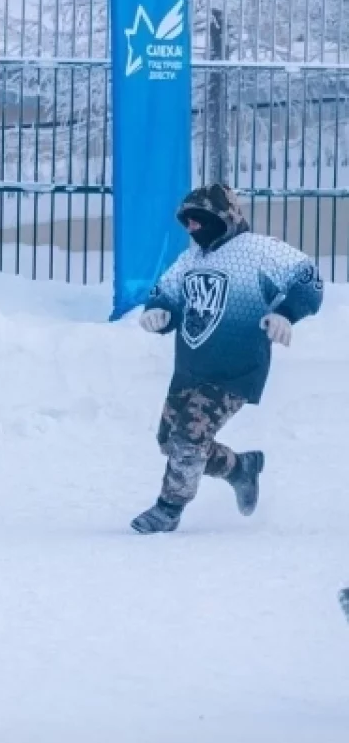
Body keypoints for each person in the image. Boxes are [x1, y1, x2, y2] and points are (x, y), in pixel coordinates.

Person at [132, 183, 324, 534]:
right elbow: (167, 293)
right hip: (190, 368)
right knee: (170, 441)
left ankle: (168, 509)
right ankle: (241, 469)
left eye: (199, 219)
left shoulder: (259, 251)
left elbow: (308, 277)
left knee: (190, 437)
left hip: (236, 367)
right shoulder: (189, 258)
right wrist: (158, 311)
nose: (191, 228)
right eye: (186, 221)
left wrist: (286, 312)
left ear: (225, 217)